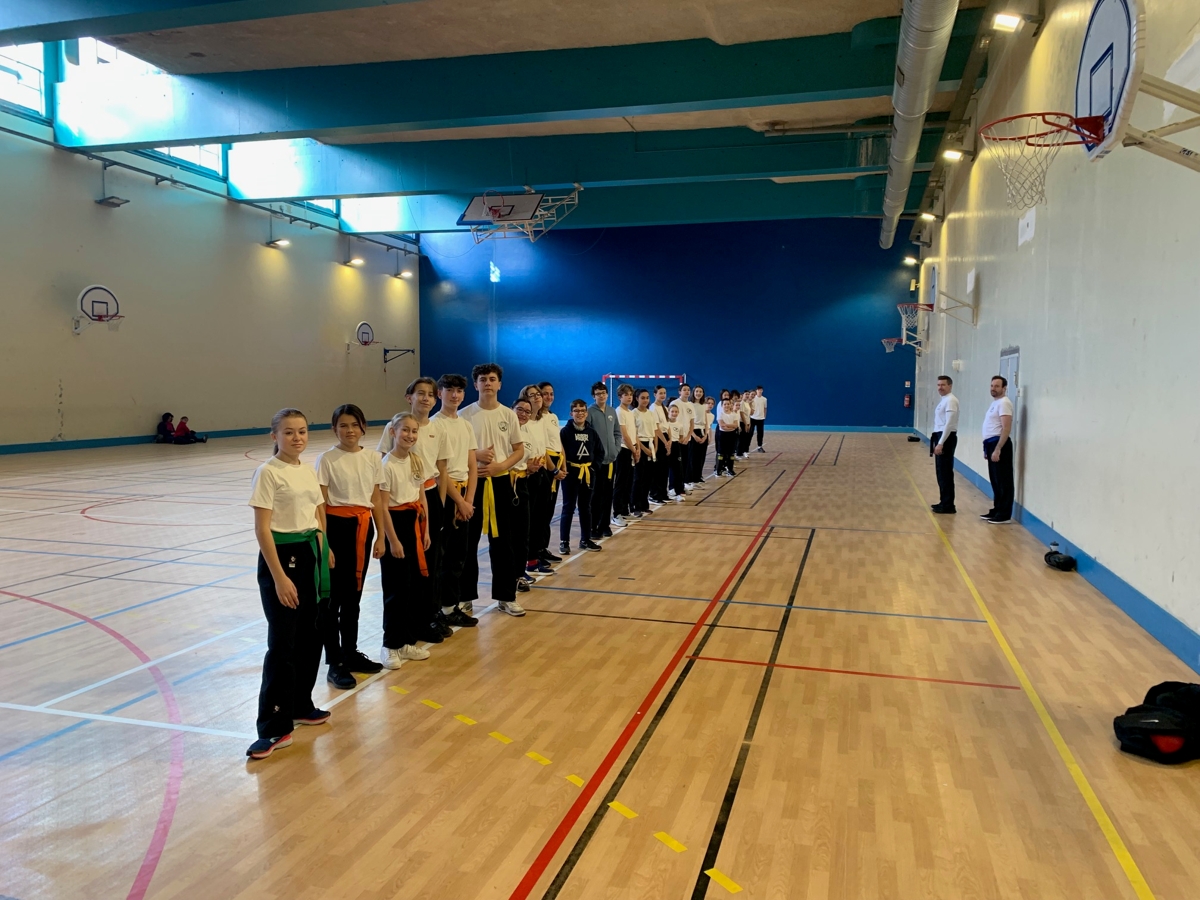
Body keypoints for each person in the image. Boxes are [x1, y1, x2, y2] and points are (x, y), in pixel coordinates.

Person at [246, 408, 330, 760]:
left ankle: (300, 704)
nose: (297, 438)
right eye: (289, 432)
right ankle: (273, 726)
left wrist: (325, 548)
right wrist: (280, 577)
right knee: (283, 643)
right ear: (275, 436)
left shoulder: (307, 470)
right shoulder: (268, 472)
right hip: (282, 559)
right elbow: (262, 529)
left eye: (302, 431)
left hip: (310, 554)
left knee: (311, 636)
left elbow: (318, 511)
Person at [315, 404, 385, 690]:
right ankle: (335, 662)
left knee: (354, 596)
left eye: (355, 424)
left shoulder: (372, 458)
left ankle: (350, 652)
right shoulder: (327, 459)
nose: (349, 430)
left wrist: (381, 536)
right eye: (343, 425)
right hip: (335, 529)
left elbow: (376, 499)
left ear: (363, 427)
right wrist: (324, 543)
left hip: (362, 530)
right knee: (333, 600)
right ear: (334, 429)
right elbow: (320, 504)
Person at [461, 364, 527, 616]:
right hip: (473, 484)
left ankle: (506, 596)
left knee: (503, 542)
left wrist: (501, 465)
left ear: (499, 384)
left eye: (492, 379)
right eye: (482, 379)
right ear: (475, 384)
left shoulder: (508, 415)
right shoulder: (465, 415)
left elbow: (519, 450)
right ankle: (465, 597)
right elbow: (456, 450)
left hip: (500, 483)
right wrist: (475, 455)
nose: (487, 383)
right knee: (468, 542)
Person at [379, 412, 434, 667]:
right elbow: (382, 506)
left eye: (414, 431)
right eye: (405, 430)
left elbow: (422, 498)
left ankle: (406, 641)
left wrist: (426, 530)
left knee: (413, 587)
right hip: (395, 525)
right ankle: (390, 645)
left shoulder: (416, 460)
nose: (410, 435)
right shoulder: (386, 465)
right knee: (396, 589)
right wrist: (392, 540)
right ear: (393, 432)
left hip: (415, 524)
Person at [405, 377, 452, 642]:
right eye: (420, 393)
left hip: (431, 496)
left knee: (433, 560)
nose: (425, 398)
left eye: (430, 394)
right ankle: (412, 619)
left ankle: (430, 615)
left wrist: (441, 505)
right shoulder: (397, 426)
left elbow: (442, 469)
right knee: (412, 562)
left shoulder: (438, 429)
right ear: (409, 397)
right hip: (406, 500)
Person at [432, 374, 480, 626]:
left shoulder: (465, 425)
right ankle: (437, 608)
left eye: (459, 390)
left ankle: (451, 607)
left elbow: (472, 465)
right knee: (442, 556)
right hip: (445, 496)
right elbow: (439, 471)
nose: (454, 395)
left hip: (464, 497)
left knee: (458, 556)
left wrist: (468, 500)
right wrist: (459, 502)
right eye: (449, 389)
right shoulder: (434, 425)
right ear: (439, 393)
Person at [519, 385, 555, 574]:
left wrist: (553, 470)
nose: (537, 397)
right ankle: (524, 562)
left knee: (541, 519)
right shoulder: (521, 424)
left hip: (542, 473)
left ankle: (534, 559)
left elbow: (544, 451)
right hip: (527, 475)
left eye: (538, 394)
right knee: (528, 522)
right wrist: (527, 467)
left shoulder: (541, 421)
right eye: (532, 395)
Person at [559, 399, 603, 554]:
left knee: (585, 507)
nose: (580, 413)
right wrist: (564, 468)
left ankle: (585, 539)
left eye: (582, 410)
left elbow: (600, 452)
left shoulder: (592, 432)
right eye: (576, 411)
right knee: (568, 507)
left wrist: (594, 467)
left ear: (586, 413)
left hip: (588, 474)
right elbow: (560, 452)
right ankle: (564, 542)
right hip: (571, 474)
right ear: (571, 413)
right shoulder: (565, 432)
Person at [510, 395, 541, 592]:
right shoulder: (504, 431)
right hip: (504, 483)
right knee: (506, 536)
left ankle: (519, 575)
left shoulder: (528, 434)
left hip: (522, 484)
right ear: (512, 410)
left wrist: (531, 468)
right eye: (520, 410)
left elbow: (528, 460)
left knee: (522, 533)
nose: (523, 414)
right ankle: (506, 577)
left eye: (527, 412)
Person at [587, 381, 623, 539]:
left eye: (603, 393)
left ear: (607, 394)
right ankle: (593, 527)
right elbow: (588, 436)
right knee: (596, 495)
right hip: (597, 462)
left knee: (608, 494)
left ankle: (605, 525)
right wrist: (594, 455)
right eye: (598, 394)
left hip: (611, 461)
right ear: (593, 396)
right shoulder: (590, 412)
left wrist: (616, 449)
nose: (601, 396)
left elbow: (617, 432)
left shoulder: (611, 411)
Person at [537, 381, 567, 564]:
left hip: (557, 463)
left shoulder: (553, 416)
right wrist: (553, 469)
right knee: (541, 511)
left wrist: (563, 464)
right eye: (545, 393)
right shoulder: (537, 418)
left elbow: (558, 442)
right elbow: (542, 447)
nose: (548, 397)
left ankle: (543, 547)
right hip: (546, 466)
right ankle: (536, 552)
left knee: (548, 511)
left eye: (551, 393)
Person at [982, 375, 1015, 524]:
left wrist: (998, 449)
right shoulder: (995, 403)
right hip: (991, 444)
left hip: (999, 445)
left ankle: (1004, 514)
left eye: (996, 386)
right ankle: (997, 509)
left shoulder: (1004, 403)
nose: (993, 389)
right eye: (992, 386)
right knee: (995, 480)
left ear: (1004, 388)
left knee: (1003, 481)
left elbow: (1006, 428)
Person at [930, 376, 959, 514]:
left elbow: (949, 424)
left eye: (943, 385)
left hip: (946, 438)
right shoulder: (944, 400)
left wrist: (941, 442)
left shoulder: (951, 401)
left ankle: (948, 504)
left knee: (945, 472)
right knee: (941, 472)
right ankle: (944, 501)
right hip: (940, 436)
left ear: (950, 386)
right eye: (938, 385)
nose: (940, 387)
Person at [612, 384, 638, 522]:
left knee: (629, 482)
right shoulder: (619, 412)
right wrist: (633, 450)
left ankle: (625, 510)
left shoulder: (630, 412)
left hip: (632, 449)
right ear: (620, 397)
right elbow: (624, 435)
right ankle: (617, 513)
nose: (629, 397)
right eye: (626, 395)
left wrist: (637, 448)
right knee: (621, 482)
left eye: (630, 395)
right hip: (623, 450)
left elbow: (634, 433)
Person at [630, 388, 658, 515]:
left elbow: (655, 431)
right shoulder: (634, 413)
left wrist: (655, 447)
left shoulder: (651, 413)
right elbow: (634, 434)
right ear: (636, 399)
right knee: (638, 478)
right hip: (640, 445)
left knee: (648, 477)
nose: (645, 400)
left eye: (647, 398)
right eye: (642, 398)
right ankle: (635, 506)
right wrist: (643, 448)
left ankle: (644, 504)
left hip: (651, 444)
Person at [669, 383, 695, 492]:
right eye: (684, 389)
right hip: (676, 439)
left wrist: (688, 436)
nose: (687, 391)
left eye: (688, 390)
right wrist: (678, 437)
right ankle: (672, 487)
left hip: (686, 440)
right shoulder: (674, 403)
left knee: (684, 464)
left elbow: (692, 423)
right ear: (680, 392)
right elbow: (670, 421)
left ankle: (681, 486)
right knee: (675, 465)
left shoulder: (691, 405)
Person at [651, 385, 672, 502]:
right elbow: (656, 428)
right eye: (660, 393)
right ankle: (655, 494)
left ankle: (663, 493)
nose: (663, 395)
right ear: (655, 394)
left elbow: (668, 426)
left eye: (664, 393)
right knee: (658, 469)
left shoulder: (665, 408)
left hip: (666, 438)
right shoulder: (653, 408)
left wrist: (670, 440)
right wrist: (665, 442)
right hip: (659, 438)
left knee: (665, 469)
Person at [690, 386, 710, 484]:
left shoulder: (703, 405)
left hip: (703, 431)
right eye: (697, 391)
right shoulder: (690, 405)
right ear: (693, 392)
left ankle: (698, 476)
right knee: (693, 457)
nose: (698, 393)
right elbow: (689, 422)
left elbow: (706, 420)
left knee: (701, 457)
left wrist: (706, 434)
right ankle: (692, 478)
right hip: (694, 432)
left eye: (700, 391)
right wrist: (694, 435)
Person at [716, 394, 741, 476]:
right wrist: (730, 426)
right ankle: (719, 469)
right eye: (725, 404)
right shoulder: (720, 414)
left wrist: (727, 425)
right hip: (722, 435)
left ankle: (730, 469)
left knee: (731, 453)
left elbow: (736, 425)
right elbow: (722, 425)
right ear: (722, 405)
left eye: (728, 404)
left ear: (731, 405)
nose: (726, 405)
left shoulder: (734, 414)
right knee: (721, 453)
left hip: (732, 435)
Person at [666, 404, 687, 501]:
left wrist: (680, 441)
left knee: (677, 469)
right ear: (668, 412)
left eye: (676, 412)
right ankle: (670, 489)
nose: (674, 413)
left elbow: (681, 437)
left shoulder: (680, 425)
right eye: (672, 411)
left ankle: (678, 490)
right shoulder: (666, 424)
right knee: (668, 469)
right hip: (667, 446)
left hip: (676, 446)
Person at [736, 390, 753, 458]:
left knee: (745, 438)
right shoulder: (742, 403)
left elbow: (749, 414)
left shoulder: (747, 403)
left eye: (748, 394)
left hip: (747, 422)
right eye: (746, 394)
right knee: (741, 439)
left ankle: (743, 451)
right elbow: (742, 413)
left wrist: (749, 423)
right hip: (742, 422)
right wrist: (745, 424)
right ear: (743, 395)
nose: (747, 395)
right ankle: (738, 453)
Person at [750, 386, 767, 453]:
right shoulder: (753, 398)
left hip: (760, 418)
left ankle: (760, 446)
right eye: (758, 390)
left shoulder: (764, 399)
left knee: (760, 433)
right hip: (753, 418)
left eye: (761, 390)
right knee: (750, 433)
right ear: (756, 391)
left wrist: (764, 416)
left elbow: (765, 408)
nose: (760, 391)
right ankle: (746, 447)